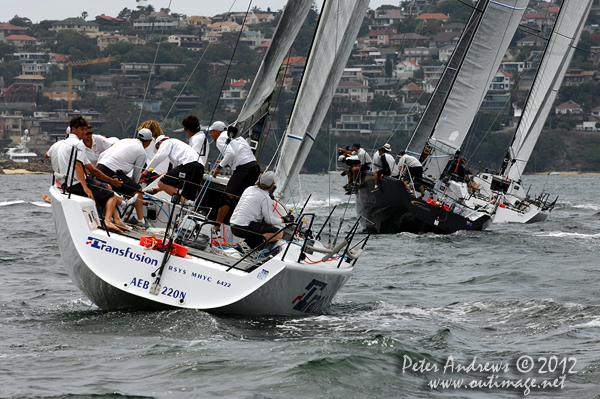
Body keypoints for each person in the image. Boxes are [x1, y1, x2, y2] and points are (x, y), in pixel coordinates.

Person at [47, 116, 132, 233]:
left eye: (85, 129)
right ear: (73, 129)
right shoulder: (78, 144)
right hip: (76, 184)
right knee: (111, 194)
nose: (84, 132)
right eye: (81, 129)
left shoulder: (64, 143)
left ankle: (116, 219)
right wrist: (85, 187)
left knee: (105, 188)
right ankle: (107, 221)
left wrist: (111, 181)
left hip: (66, 184)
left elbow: (91, 169)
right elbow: (78, 166)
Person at [210, 121, 261, 230]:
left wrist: (218, 168)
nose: (211, 135)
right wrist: (226, 164)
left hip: (244, 168)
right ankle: (240, 227)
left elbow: (230, 154)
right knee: (240, 199)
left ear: (216, 131)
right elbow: (238, 155)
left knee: (226, 197)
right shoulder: (239, 137)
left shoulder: (220, 139)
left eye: (211, 132)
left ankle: (216, 227)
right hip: (254, 167)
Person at [97, 128, 153, 227]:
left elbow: (101, 155)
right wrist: (133, 188)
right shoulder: (142, 152)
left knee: (129, 189)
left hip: (100, 168)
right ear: (148, 141)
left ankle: (126, 213)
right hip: (113, 172)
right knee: (138, 190)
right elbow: (137, 174)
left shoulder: (125, 140)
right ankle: (141, 221)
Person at [230, 171, 286, 250]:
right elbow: (270, 220)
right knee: (278, 233)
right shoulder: (265, 197)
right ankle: (245, 246)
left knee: (260, 227)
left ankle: (246, 246)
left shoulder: (249, 189)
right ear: (272, 185)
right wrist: (284, 220)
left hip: (233, 225)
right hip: (243, 227)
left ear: (259, 180)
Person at [140, 135, 205, 203]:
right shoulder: (178, 147)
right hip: (199, 167)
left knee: (161, 182)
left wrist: (145, 172)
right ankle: (190, 209)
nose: (159, 149)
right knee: (188, 196)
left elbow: (158, 157)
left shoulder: (167, 142)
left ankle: (184, 202)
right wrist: (156, 190)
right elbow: (173, 180)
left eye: (158, 148)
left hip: (188, 164)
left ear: (160, 142)